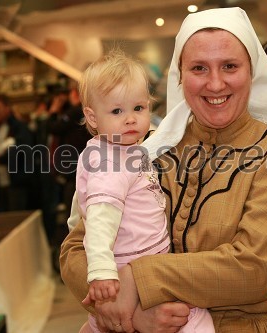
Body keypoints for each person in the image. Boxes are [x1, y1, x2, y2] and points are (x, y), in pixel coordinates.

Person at [60, 7, 267, 333]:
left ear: (251, 71)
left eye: (229, 66)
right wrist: (133, 315)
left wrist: (139, 279)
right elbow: (74, 250)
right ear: (180, 76)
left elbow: (253, 270)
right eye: (198, 68)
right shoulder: (146, 151)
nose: (215, 82)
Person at [71, 49, 215, 333]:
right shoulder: (110, 162)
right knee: (197, 321)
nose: (130, 119)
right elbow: (99, 218)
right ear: (92, 117)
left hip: (141, 258)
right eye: (116, 111)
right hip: (132, 263)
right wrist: (101, 272)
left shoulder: (124, 150)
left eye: (139, 108)